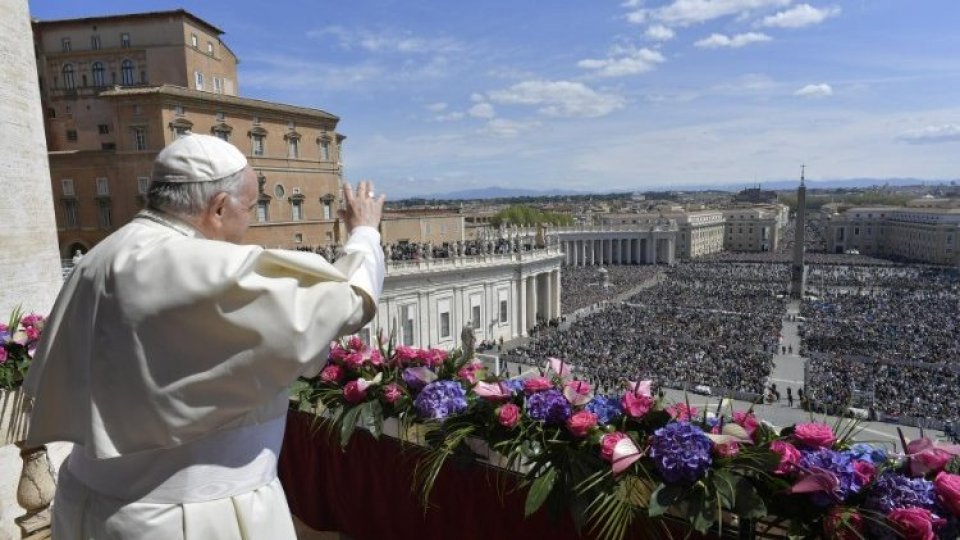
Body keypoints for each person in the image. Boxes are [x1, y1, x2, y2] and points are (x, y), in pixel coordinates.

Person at [23, 134, 386, 540]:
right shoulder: (204, 266)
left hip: (86, 503)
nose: (248, 223)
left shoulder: (100, 256)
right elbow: (348, 301)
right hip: (189, 520)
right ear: (218, 207)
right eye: (249, 208)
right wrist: (365, 233)